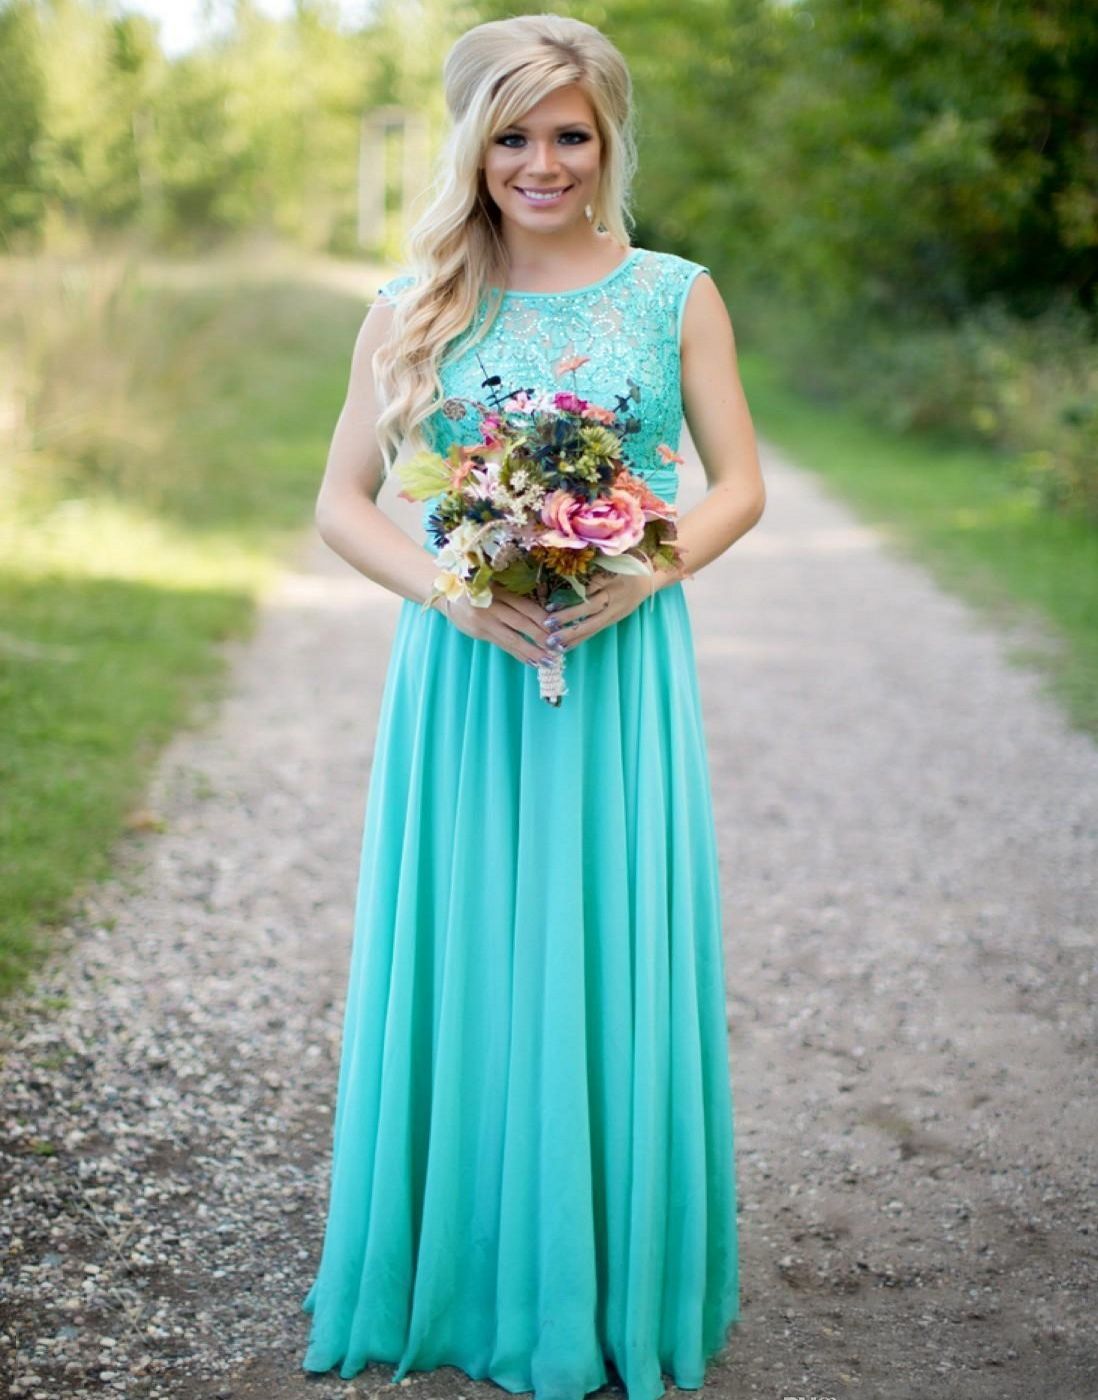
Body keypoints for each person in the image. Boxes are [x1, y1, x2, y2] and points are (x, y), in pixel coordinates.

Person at [300, 13, 765, 1400]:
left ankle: (612, 1275)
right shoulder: (414, 303)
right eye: (513, 134)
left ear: (608, 138)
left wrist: (643, 567)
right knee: (474, 950)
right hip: (464, 674)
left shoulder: (674, 290)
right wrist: (451, 594)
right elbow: (340, 505)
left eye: (569, 132)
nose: (541, 162)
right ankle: (461, 1266)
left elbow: (736, 482)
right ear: (471, 142)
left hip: (617, 668)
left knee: (605, 945)